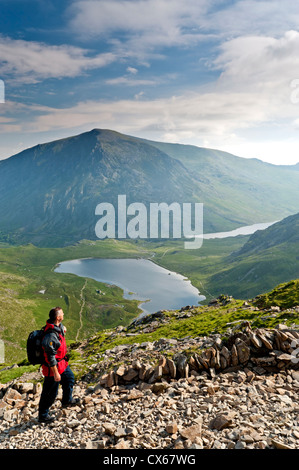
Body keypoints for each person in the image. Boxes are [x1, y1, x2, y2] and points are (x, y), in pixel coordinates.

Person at [38, 306, 79, 423]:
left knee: (69, 379)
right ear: (58, 317)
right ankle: (43, 416)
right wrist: (56, 373)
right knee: (50, 393)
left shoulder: (58, 327)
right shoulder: (50, 335)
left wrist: (63, 329)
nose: (64, 314)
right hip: (53, 368)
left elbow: (60, 332)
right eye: (62, 313)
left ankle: (67, 401)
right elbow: (50, 357)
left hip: (62, 364)